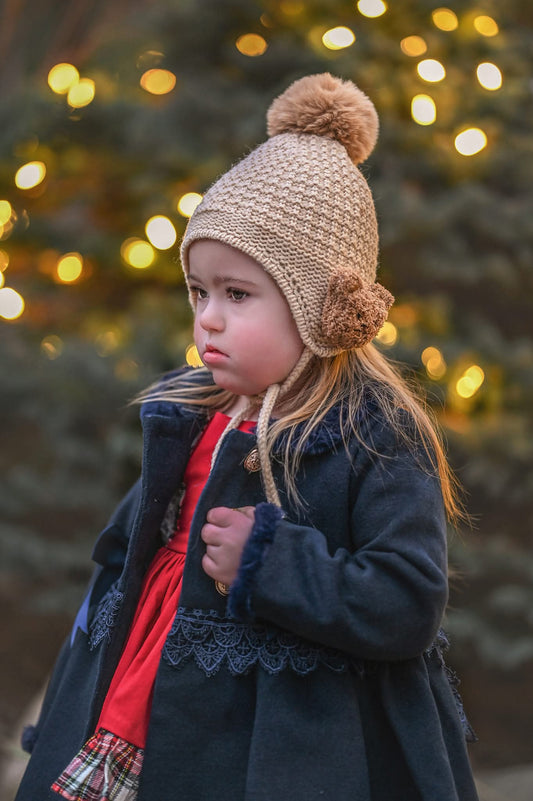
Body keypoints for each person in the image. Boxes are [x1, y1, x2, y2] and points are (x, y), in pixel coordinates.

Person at [16, 72, 479, 801]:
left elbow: (404, 602)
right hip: (141, 703)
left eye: (237, 294)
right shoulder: (193, 414)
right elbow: (119, 573)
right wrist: (72, 707)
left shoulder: (370, 433)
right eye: (199, 290)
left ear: (323, 308)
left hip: (274, 749)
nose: (207, 316)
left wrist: (268, 561)